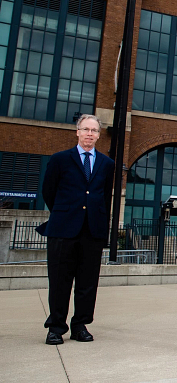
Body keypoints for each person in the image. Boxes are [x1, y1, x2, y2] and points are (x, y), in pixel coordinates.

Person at [38, 114, 115, 345]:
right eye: (85, 129)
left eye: (94, 130)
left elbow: (105, 195)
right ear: (77, 132)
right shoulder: (60, 159)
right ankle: (56, 327)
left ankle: (80, 325)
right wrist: (65, 213)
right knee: (60, 280)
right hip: (63, 229)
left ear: (99, 135)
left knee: (87, 282)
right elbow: (48, 191)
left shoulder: (106, 163)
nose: (89, 134)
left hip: (92, 231)